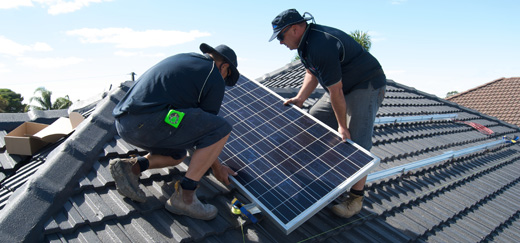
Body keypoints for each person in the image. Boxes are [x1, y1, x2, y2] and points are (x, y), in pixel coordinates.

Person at [269, 9, 386, 218]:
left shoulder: (320, 44)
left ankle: (355, 199)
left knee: (356, 141)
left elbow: (336, 91)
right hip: (342, 87)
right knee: (311, 121)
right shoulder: (305, 45)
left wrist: (342, 126)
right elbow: (311, 72)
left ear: (295, 29)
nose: (280, 42)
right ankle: (304, 168)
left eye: (280, 36)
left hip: (365, 84)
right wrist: (300, 99)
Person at [110, 43, 239, 221]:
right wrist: (217, 168)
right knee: (223, 127)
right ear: (224, 66)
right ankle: (186, 197)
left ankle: (132, 167)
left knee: (178, 154)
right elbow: (209, 133)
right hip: (147, 122)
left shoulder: (185, 59)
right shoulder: (213, 73)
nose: (223, 80)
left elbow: (191, 127)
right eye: (227, 75)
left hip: (125, 124)